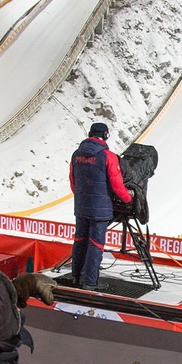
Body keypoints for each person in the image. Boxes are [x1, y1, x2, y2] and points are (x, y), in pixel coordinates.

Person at [69, 122, 132, 290]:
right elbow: (117, 186)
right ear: (105, 136)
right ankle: (90, 282)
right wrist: (128, 199)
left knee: (80, 241)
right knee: (95, 245)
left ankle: (75, 276)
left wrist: (82, 198)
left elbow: (73, 182)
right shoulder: (109, 156)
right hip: (100, 209)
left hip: (81, 207)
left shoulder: (76, 155)